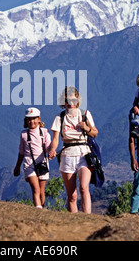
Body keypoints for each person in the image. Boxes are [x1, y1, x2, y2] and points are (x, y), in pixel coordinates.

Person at [48, 86, 98, 214]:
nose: (71, 103)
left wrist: (86, 127)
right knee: (72, 195)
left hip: (84, 153)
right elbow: (55, 138)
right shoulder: (60, 117)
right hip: (67, 154)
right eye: (67, 100)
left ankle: (87, 218)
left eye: (73, 100)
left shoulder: (85, 114)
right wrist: (53, 150)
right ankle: (74, 220)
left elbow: (94, 133)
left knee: (83, 188)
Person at [14, 107, 51, 209]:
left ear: (39, 119)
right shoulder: (24, 134)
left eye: (34, 118)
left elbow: (48, 146)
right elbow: (21, 152)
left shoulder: (44, 132)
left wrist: (51, 152)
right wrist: (17, 167)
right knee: (36, 189)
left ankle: (41, 208)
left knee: (42, 191)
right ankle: (38, 209)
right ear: (26, 120)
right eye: (29, 119)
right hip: (29, 162)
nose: (31, 121)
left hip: (42, 161)